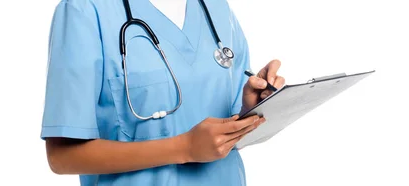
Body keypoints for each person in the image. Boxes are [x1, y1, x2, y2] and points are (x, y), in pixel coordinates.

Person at [40, 0, 285, 185]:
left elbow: (225, 133)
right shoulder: (84, 10)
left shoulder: (214, 7)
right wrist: (184, 148)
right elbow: (61, 156)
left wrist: (250, 107)